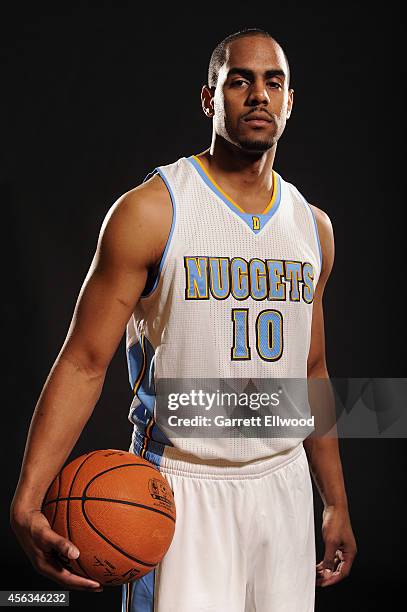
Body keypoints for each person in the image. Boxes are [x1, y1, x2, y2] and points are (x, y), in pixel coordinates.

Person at [10, 27, 357, 612]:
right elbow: (84, 361)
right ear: (210, 98)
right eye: (239, 80)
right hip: (178, 488)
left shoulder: (313, 228)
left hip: (284, 485)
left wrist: (336, 501)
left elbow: (312, 372)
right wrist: (27, 499)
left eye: (274, 82)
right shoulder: (152, 210)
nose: (258, 96)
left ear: (290, 101)